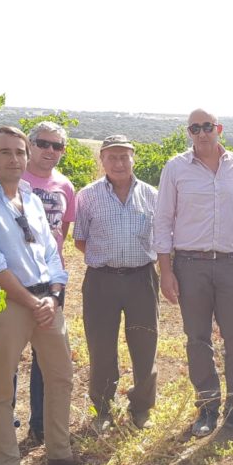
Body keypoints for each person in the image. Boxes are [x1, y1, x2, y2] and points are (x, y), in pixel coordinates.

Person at [0, 126, 81, 465]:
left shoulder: (30, 197)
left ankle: (59, 454)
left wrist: (55, 295)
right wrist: (32, 302)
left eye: (19, 152)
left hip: (46, 301)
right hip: (9, 304)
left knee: (61, 377)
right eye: (6, 153)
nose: (15, 159)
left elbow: (50, 252)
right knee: (0, 387)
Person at [154, 109, 233, 439]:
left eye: (208, 127)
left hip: (230, 264)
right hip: (190, 265)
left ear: (219, 128)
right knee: (198, 340)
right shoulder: (175, 168)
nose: (202, 133)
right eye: (195, 128)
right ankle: (208, 407)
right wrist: (166, 271)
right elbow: (163, 220)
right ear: (189, 132)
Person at [73, 135, 159, 432]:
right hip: (101, 282)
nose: (119, 163)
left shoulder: (152, 195)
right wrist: (108, 260)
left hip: (142, 279)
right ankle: (103, 409)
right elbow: (80, 239)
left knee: (145, 343)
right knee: (101, 347)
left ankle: (141, 408)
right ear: (102, 160)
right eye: (112, 157)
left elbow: (161, 238)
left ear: (133, 158)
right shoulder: (87, 195)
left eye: (124, 156)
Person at [16, 121, 76, 445]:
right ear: (30, 144)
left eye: (57, 146)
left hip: (51, 282)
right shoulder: (14, 178)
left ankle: (39, 424)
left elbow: (62, 235)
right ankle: (8, 424)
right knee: (9, 357)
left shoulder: (65, 186)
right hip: (14, 280)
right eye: (43, 143)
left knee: (46, 358)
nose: (50, 151)